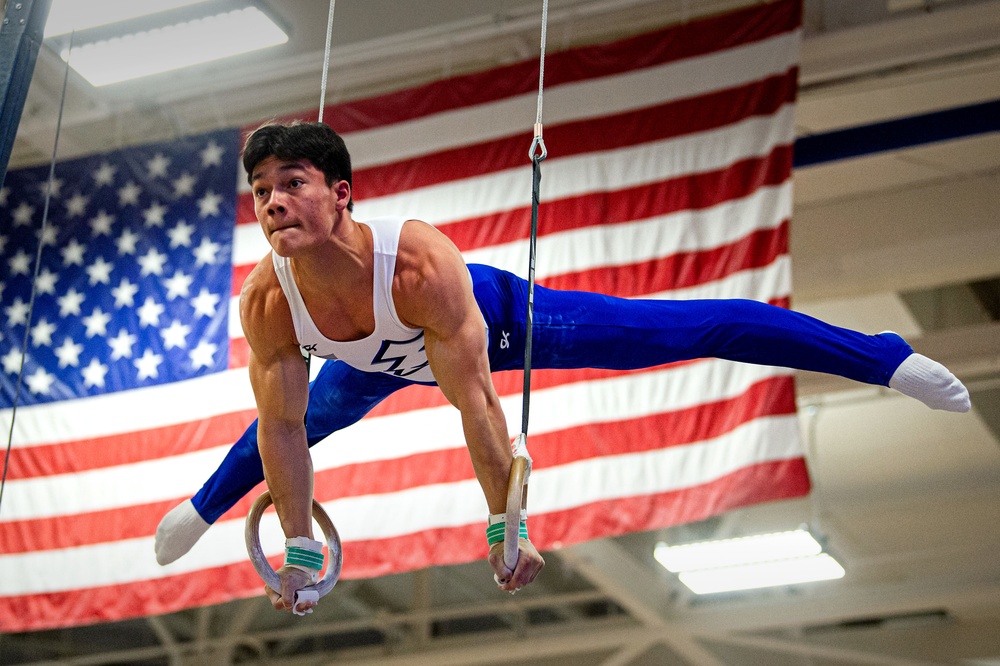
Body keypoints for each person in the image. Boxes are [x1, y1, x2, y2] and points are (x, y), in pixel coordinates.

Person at [155, 121, 970, 613]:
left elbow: (473, 404)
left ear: (341, 193)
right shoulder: (267, 302)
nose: (270, 203)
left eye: (290, 183)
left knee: (704, 328)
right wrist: (299, 549)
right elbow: (286, 429)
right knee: (288, 420)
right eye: (260, 189)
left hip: (493, 327)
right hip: (369, 361)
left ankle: (882, 358)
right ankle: (200, 507)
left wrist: (507, 524)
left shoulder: (417, 264)